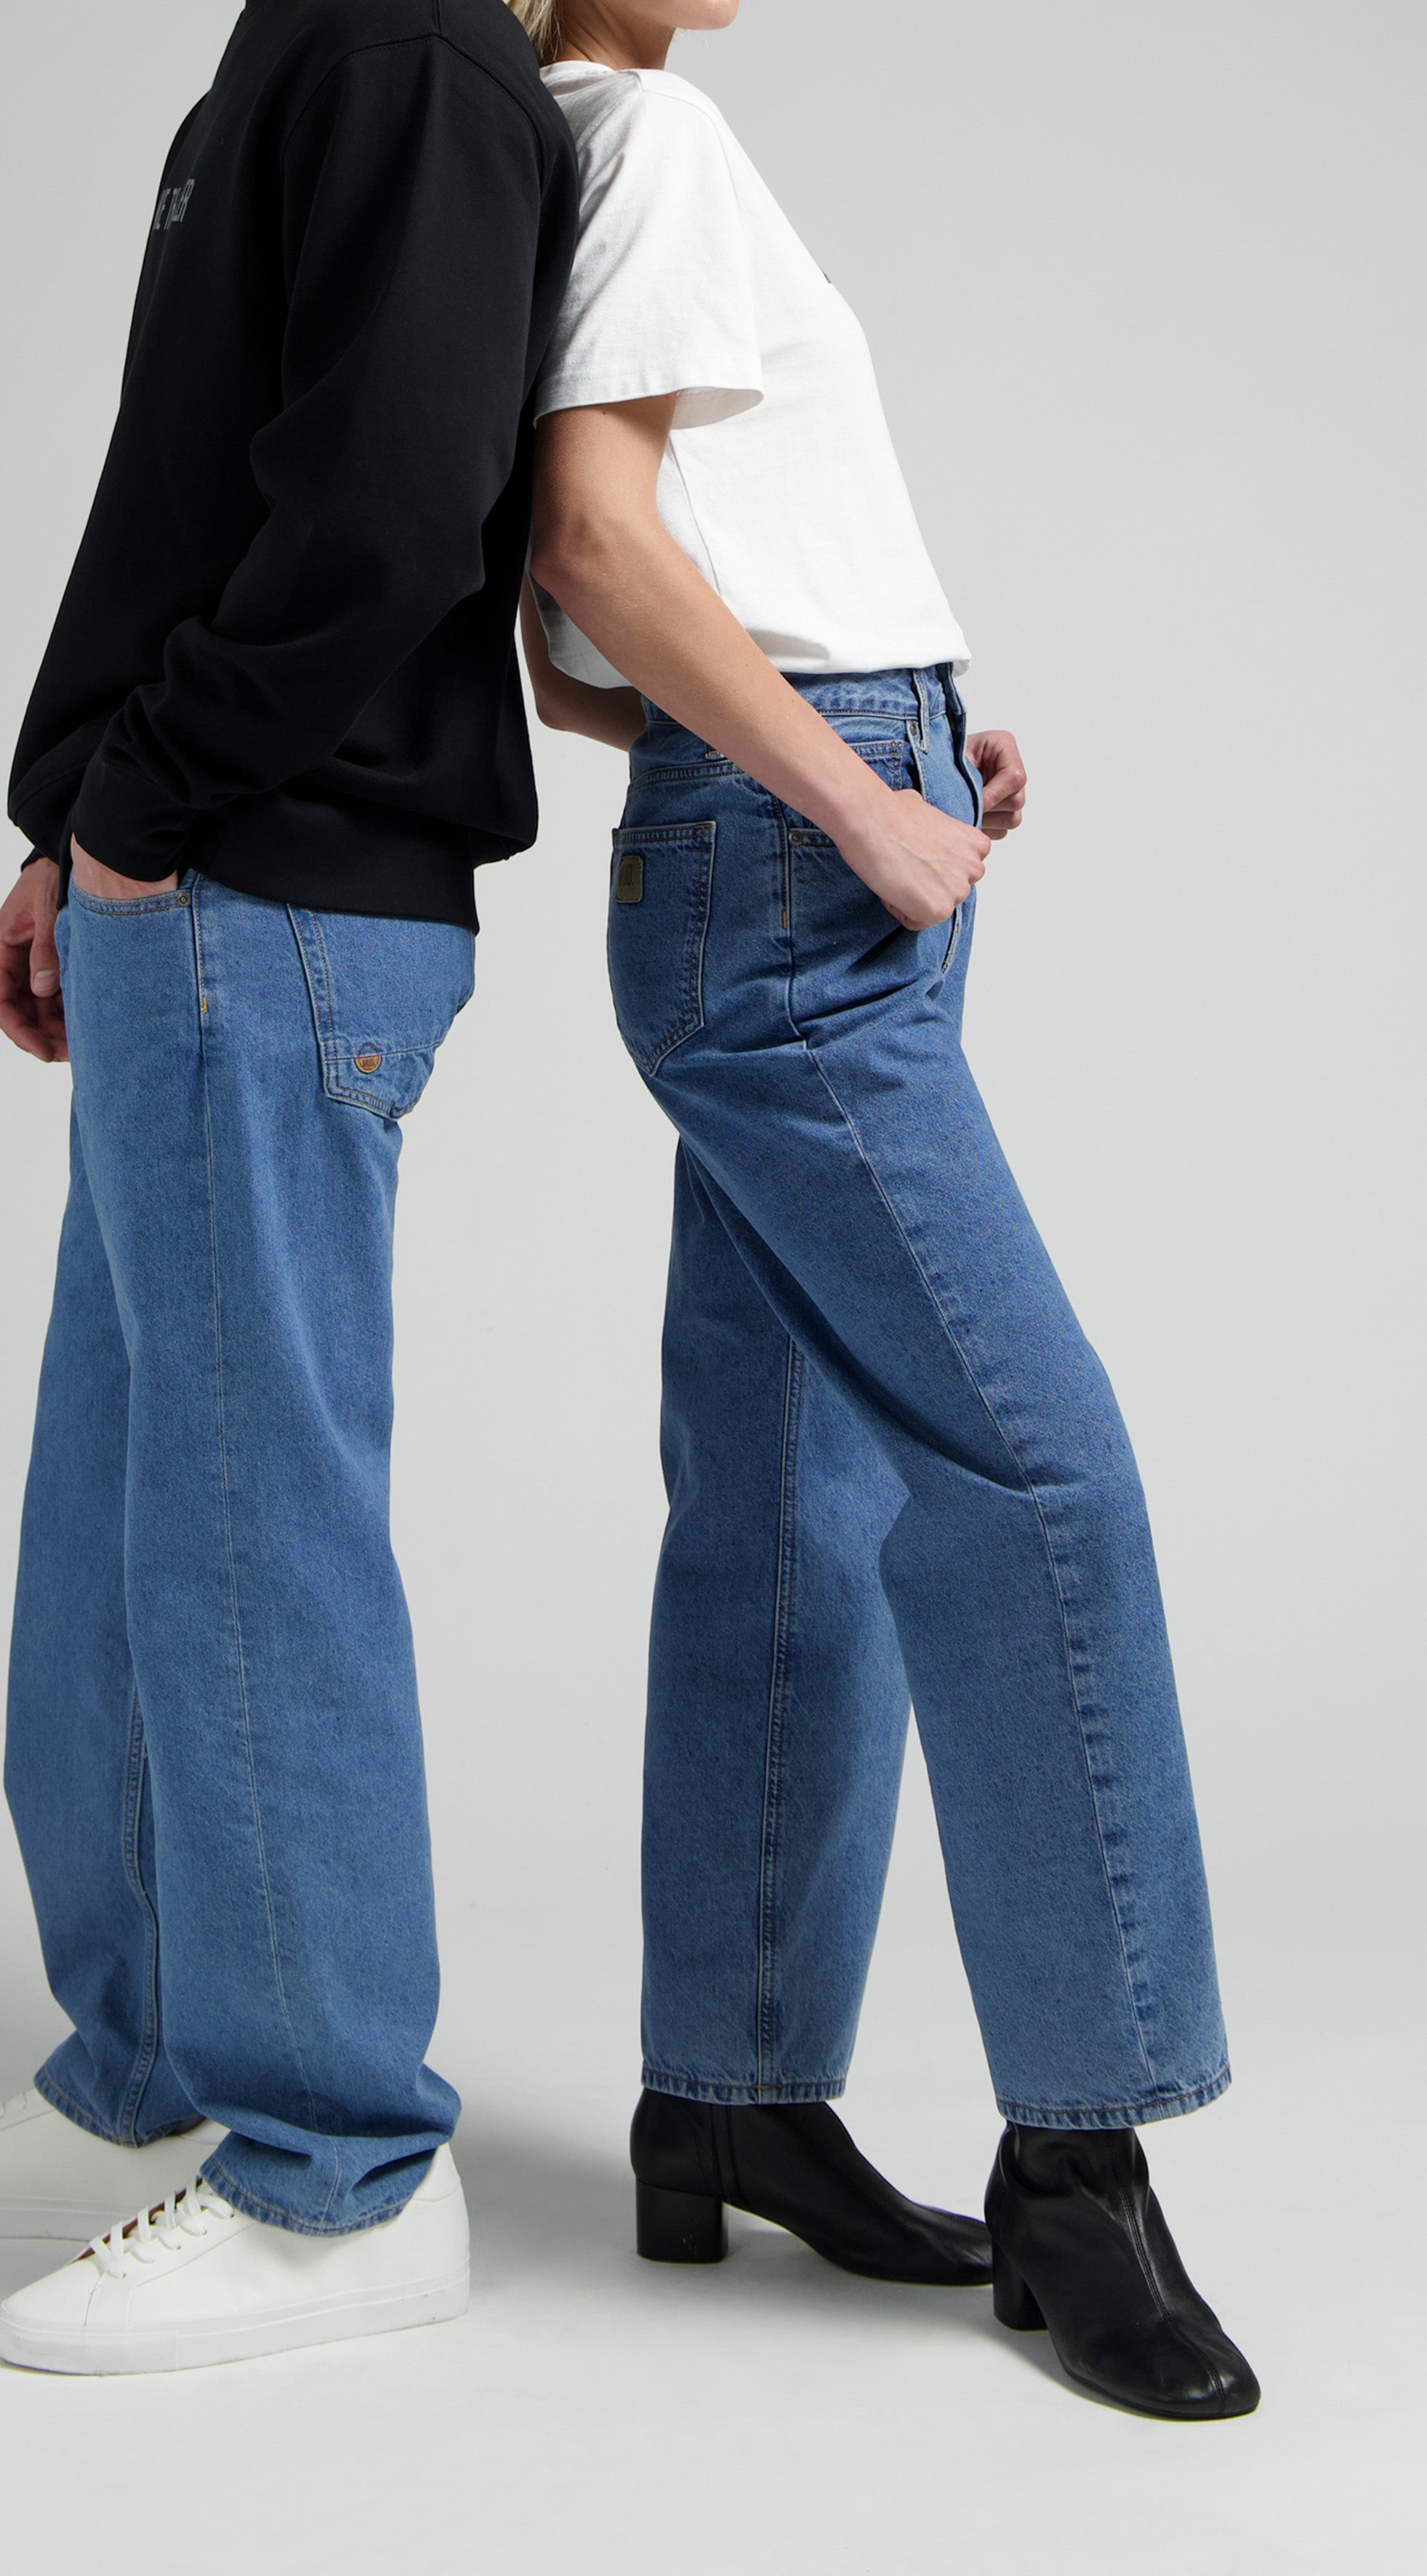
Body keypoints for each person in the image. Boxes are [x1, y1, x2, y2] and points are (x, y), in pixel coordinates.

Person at [515, 0, 1259, 2420]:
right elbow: (588, 547)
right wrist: (859, 793)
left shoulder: (549, 142)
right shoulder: (643, 125)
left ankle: (723, 2084)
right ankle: (1082, 2159)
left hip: (794, 863)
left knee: (784, 1501)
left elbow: (583, 638)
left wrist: (895, 732)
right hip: (804, 912)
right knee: (1038, 1483)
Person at [0, 0, 578, 2377]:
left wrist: (144, 809)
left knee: (250, 1521)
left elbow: (388, 501)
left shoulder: (411, 57)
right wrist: (73, 833)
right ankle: (147, 2069)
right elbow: (208, 494)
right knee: (129, 1507)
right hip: (188, 880)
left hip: (270, 891)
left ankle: (344, 2169)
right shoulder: (304, 45)